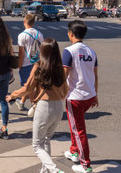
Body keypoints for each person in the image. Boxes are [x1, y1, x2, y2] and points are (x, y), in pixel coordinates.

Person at [7, 38, 68, 173]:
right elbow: (65, 91)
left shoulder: (39, 66)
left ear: (43, 51)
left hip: (45, 107)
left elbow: (27, 88)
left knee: (36, 145)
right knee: (46, 140)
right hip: (58, 107)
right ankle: (45, 170)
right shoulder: (60, 68)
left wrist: (12, 95)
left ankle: (54, 170)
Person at [62, 20, 98, 173]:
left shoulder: (69, 51)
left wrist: (58, 93)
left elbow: (64, 75)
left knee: (79, 130)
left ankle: (85, 165)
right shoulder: (91, 51)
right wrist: (96, 95)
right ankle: (74, 151)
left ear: (71, 34)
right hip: (89, 95)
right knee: (75, 125)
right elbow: (95, 76)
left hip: (75, 96)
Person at [16, 14, 44, 110]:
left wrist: (19, 65)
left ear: (24, 22)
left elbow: (21, 53)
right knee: (34, 84)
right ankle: (22, 102)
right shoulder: (39, 34)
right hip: (37, 63)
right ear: (34, 23)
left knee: (28, 86)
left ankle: (34, 106)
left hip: (26, 64)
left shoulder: (22, 35)